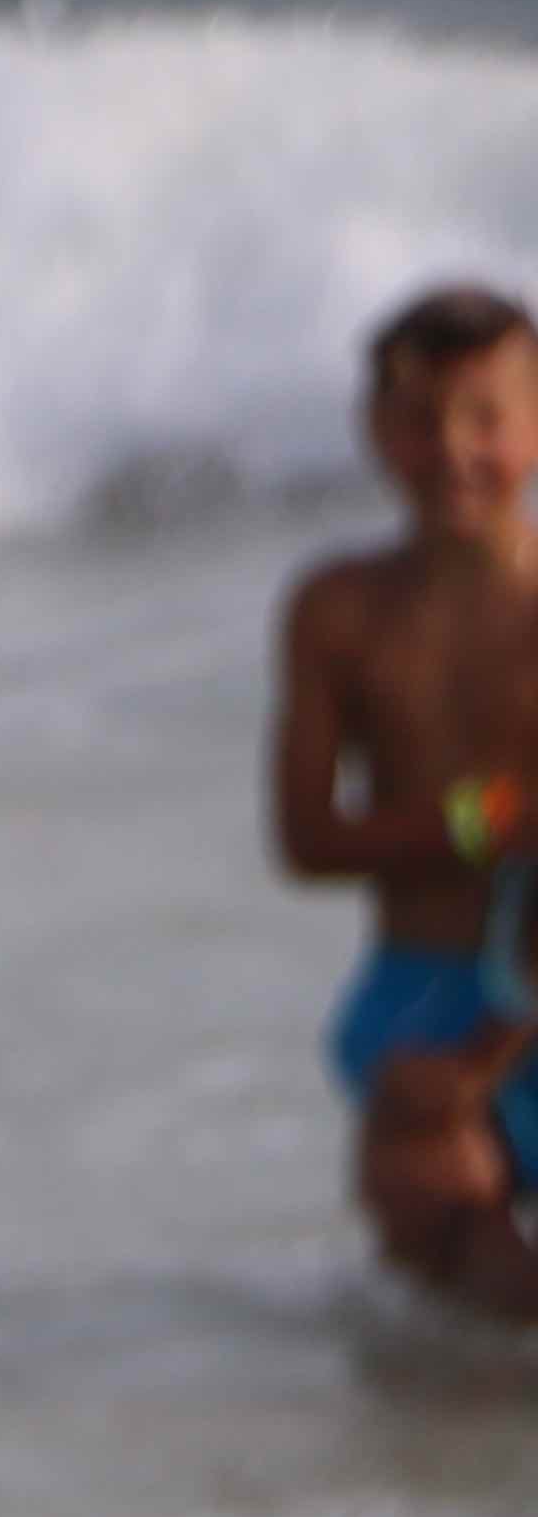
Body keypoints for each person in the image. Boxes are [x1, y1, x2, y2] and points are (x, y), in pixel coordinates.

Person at [270, 283, 538, 1311]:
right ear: (374, 431)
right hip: (419, 988)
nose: (453, 450)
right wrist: (486, 823)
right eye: (421, 420)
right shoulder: (338, 611)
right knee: (450, 1287)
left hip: (522, 998)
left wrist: (491, 1053)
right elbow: (305, 839)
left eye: (485, 418)